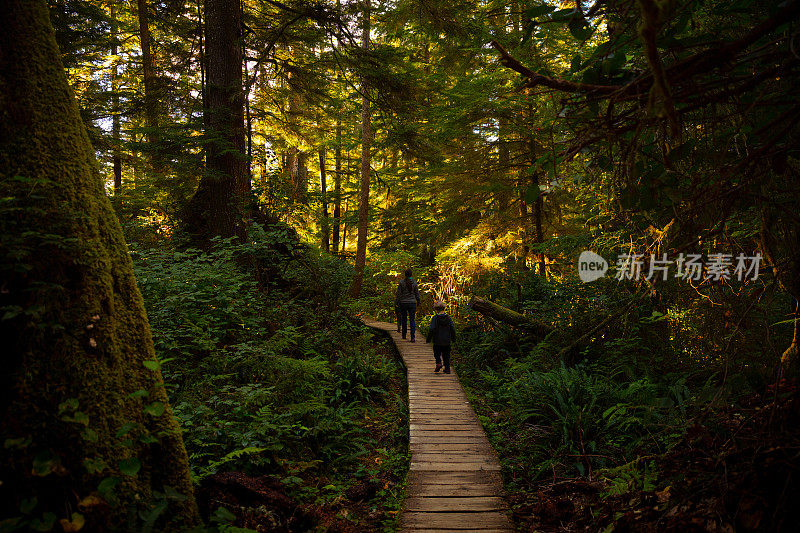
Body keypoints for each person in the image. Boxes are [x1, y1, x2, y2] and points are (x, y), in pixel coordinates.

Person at [426, 300, 456, 373]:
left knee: (437, 353)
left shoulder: (435, 318)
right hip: (447, 340)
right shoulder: (448, 318)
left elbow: (431, 329)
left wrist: (429, 338)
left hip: (437, 340)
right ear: (444, 308)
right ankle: (447, 368)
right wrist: (453, 338)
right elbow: (452, 328)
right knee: (446, 355)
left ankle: (438, 363)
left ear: (436, 309)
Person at [395, 269, 421, 341]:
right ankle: (413, 337)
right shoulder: (414, 283)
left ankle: (404, 335)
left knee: (404, 319)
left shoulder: (401, 282)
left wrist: (397, 302)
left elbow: (398, 294)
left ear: (405, 274)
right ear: (411, 274)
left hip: (403, 303)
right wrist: (418, 301)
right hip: (412, 303)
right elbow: (417, 294)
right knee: (412, 320)